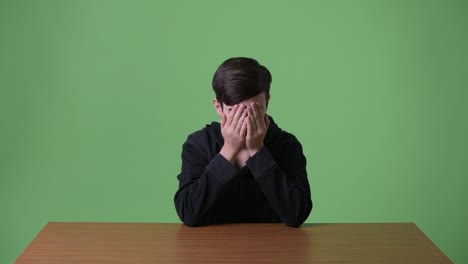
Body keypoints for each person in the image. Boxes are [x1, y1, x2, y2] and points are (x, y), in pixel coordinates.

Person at [174, 57, 312, 227]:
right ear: (218, 107)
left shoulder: (286, 145)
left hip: (274, 248)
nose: (245, 120)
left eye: (255, 110)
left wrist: (257, 151)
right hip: (212, 248)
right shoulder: (199, 144)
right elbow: (188, 213)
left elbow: (297, 214)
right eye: (234, 111)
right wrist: (229, 150)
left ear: (267, 102)